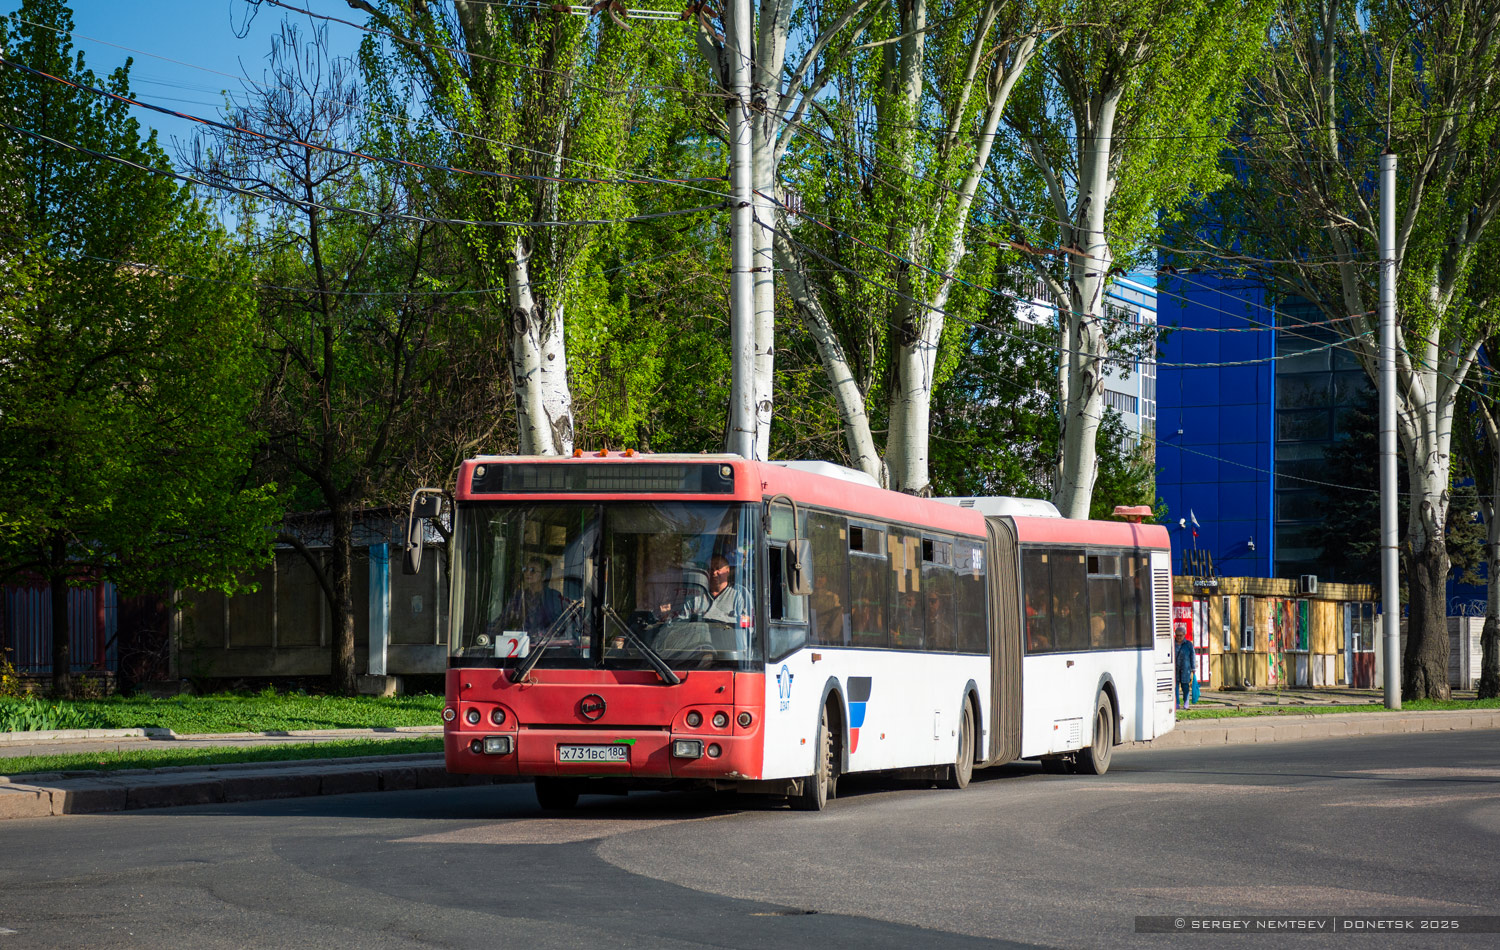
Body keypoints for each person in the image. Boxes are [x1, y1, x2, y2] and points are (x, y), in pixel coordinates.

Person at [679, 554, 753, 628]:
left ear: (728, 571)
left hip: (729, 637)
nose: (714, 573)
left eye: (718, 568)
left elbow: (748, 624)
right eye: (711, 569)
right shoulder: (697, 593)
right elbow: (682, 620)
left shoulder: (740, 594)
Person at [502, 557, 567, 639]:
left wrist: (542, 635)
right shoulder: (519, 596)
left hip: (545, 647)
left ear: (544, 576)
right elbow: (504, 618)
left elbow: (560, 623)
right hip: (520, 643)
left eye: (533, 570)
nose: (527, 573)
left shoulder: (553, 596)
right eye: (525, 569)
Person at [1174, 627, 1194, 709]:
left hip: (1185, 669)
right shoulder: (1172, 643)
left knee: (1185, 686)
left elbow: (1192, 656)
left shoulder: (1188, 644)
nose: (1178, 637)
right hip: (1175, 669)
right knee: (1175, 686)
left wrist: (1193, 668)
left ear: (1184, 635)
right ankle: (1176, 703)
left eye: (1180, 635)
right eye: (1177, 635)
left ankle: (1186, 702)